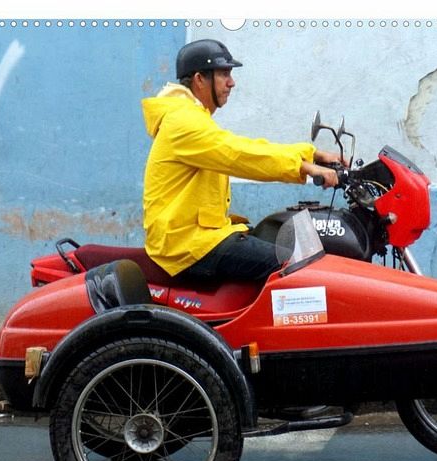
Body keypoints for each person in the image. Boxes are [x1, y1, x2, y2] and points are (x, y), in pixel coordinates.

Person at [141, 38, 342, 282]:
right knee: (294, 267)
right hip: (187, 246)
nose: (231, 82)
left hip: (198, 238)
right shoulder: (182, 122)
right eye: (224, 74)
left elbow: (245, 146)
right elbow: (238, 155)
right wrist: (303, 167)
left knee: (276, 241)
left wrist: (311, 154)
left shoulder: (190, 117)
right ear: (199, 79)